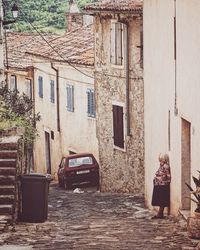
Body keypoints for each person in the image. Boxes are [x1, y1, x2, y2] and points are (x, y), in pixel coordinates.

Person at [151, 153, 171, 219]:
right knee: (159, 199)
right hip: (158, 184)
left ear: (165, 159)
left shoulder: (165, 166)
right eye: (160, 159)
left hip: (163, 185)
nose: (161, 160)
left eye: (162, 159)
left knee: (162, 200)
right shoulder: (161, 165)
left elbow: (168, 176)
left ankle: (160, 214)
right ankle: (160, 214)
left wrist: (167, 183)